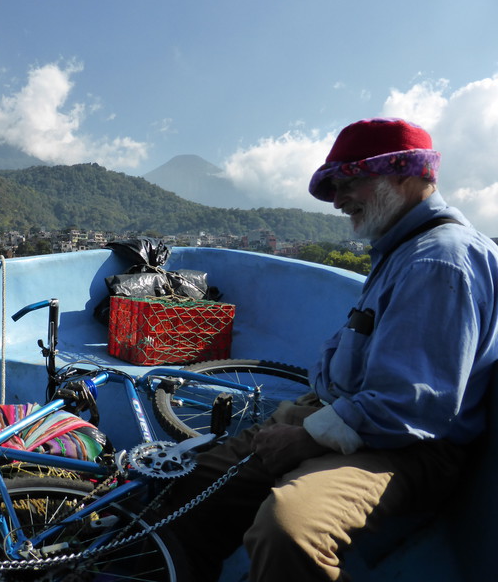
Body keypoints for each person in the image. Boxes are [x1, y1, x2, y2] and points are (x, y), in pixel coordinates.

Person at [164, 118, 498, 581]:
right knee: (194, 482)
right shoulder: (400, 249)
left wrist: (305, 439)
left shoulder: (439, 262)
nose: (339, 200)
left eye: (350, 181)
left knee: (288, 530)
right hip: (346, 414)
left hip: (404, 446)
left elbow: (414, 406)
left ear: (406, 175)